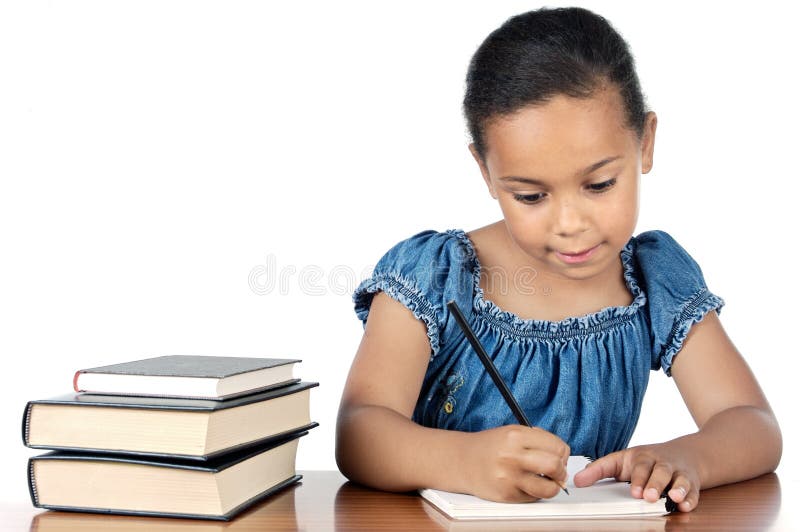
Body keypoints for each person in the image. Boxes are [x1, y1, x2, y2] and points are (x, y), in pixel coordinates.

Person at [335, 7, 781, 513]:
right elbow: (359, 432)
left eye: (599, 184)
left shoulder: (652, 280)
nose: (569, 222)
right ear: (485, 171)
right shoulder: (436, 274)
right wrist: (462, 461)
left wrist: (688, 457)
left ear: (645, 143)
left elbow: (752, 423)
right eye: (530, 196)